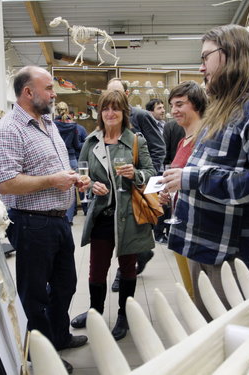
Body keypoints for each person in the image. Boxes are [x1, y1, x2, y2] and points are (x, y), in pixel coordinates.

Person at [161, 25, 249, 321]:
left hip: (231, 252)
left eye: (206, 57)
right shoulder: (224, 106)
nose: (201, 66)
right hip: (205, 243)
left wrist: (191, 178)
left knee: (232, 334)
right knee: (209, 329)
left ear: (230, 53)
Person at [0, 66, 90, 374]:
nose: (53, 93)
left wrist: (72, 180)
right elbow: (5, 183)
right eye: (48, 88)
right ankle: (42, 354)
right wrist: (51, 181)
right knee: (35, 294)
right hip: (31, 223)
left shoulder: (47, 122)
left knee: (66, 284)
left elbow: (53, 169)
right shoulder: (8, 129)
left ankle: (58, 336)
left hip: (59, 220)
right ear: (28, 92)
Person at [70, 90, 156, 341]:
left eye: (115, 109)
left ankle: (123, 315)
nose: (110, 113)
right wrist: (88, 184)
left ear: (124, 113)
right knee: (96, 270)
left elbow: (151, 171)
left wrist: (136, 175)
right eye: (105, 108)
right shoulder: (91, 141)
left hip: (129, 215)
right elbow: (81, 176)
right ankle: (95, 312)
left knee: (128, 268)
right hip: (101, 215)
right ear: (100, 112)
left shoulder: (136, 141)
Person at [107, 78, 164, 290]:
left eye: (118, 93)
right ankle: (141, 253)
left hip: (139, 183)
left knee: (132, 227)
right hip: (117, 186)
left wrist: (150, 178)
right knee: (121, 228)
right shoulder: (109, 116)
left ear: (127, 94)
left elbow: (158, 146)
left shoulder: (139, 115)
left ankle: (123, 273)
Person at [158, 81, 207, 300]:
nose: (174, 110)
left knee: (200, 287)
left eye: (180, 104)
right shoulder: (182, 141)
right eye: (172, 105)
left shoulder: (205, 140)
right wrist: (167, 191)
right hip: (180, 218)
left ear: (196, 105)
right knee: (189, 284)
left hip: (197, 224)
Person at [54, 101, 81, 224]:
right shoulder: (73, 126)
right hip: (71, 158)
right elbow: (76, 144)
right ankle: (69, 218)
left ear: (56, 111)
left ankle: (59, 216)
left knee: (58, 188)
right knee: (71, 189)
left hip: (57, 159)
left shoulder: (52, 125)